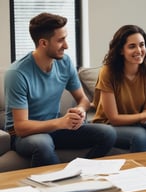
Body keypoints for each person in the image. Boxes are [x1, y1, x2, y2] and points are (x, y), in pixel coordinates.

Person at [4, 12, 117, 167]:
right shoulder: (17, 74)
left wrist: (80, 111)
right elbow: (21, 127)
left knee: (107, 134)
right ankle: (63, 182)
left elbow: (83, 100)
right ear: (43, 43)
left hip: (55, 128)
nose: (66, 45)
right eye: (61, 40)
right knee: (42, 144)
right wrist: (60, 123)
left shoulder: (64, 62)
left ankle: (81, 170)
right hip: (24, 135)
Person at [92, 25, 146, 152]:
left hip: (137, 120)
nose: (139, 50)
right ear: (121, 50)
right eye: (132, 46)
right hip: (109, 124)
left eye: (142, 45)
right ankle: (139, 172)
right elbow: (114, 118)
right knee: (140, 136)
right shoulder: (107, 72)